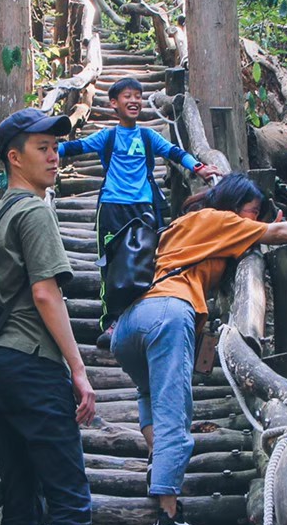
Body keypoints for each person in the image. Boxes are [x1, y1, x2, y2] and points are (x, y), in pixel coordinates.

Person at [111, 174, 287, 525]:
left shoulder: (185, 225)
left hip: (129, 324)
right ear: (233, 207)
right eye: (251, 213)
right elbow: (275, 236)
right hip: (169, 314)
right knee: (174, 412)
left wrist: (267, 226)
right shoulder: (220, 220)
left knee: (150, 394)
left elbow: (264, 232)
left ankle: (158, 464)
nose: (253, 221)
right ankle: (167, 516)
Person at [0, 107, 139, 525]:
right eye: (42, 147)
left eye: (55, 147)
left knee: (23, 504)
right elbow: (47, 295)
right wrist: (79, 369)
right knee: (71, 501)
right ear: (13, 156)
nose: (53, 156)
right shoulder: (34, 212)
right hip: (33, 364)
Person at [58, 77, 218, 349]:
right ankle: (111, 323)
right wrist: (45, 148)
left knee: (146, 263)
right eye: (127, 96)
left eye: (137, 96)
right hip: (111, 207)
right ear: (113, 103)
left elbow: (175, 152)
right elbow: (74, 147)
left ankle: (143, 318)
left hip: (143, 207)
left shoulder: (147, 136)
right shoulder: (107, 136)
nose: (134, 101)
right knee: (109, 265)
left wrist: (198, 167)